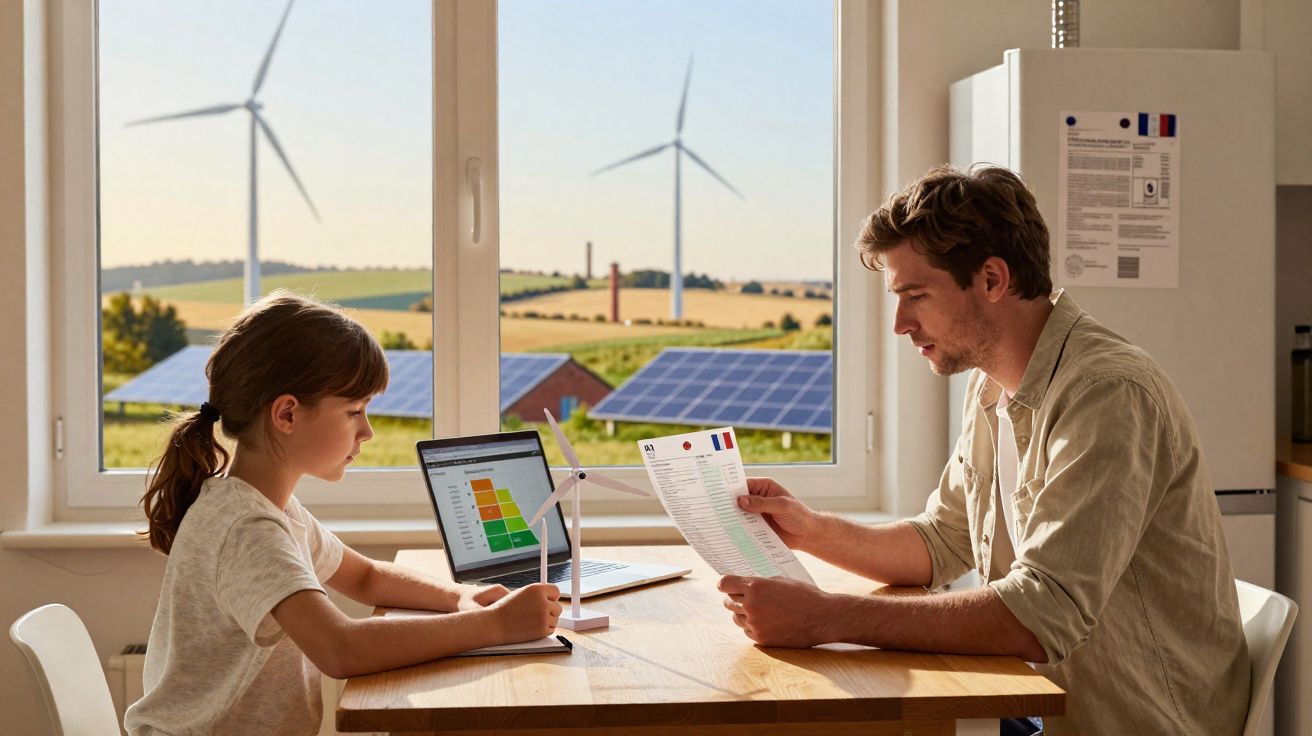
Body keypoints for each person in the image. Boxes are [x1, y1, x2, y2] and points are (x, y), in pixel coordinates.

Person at [718, 165, 1249, 736]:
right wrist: (808, 529)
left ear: (992, 279)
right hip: (1037, 708)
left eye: (915, 295)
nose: (900, 324)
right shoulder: (992, 381)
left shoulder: (1108, 393)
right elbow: (943, 541)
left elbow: (1038, 616)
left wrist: (822, 618)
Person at [124, 292, 562, 736]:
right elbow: (340, 648)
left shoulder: (268, 508)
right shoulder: (247, 528)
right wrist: (494, 625)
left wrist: (459, 598)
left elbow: (365, 577)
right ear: (287, 413)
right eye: (355, 411)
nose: (367, 430)